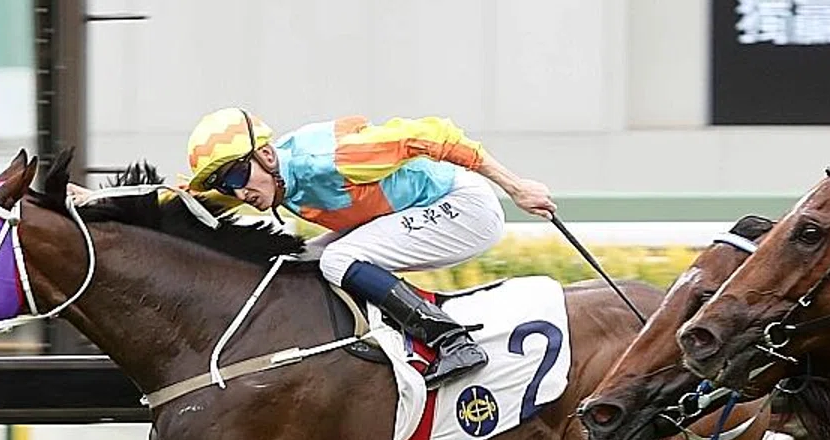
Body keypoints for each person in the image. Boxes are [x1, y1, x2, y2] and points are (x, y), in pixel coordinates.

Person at [183, 108, 557, 384]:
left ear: (266, 155)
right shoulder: (264, 176)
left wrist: (516, 187)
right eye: (223, 184)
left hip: (462, 209)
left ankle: (452, 341)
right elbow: (189, 197)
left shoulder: (333, 161)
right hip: (409, 211)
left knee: (338, 259)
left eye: (236, 175)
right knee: (291, 259)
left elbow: (438, 133)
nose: (236, 193)